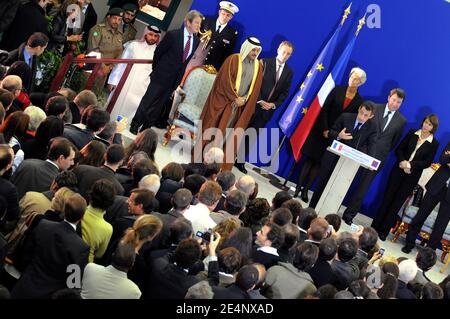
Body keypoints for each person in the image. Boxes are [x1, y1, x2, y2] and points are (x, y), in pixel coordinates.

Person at [295, 67, 366, 202]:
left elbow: (351, 120)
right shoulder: (337, 90)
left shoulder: (359, 101)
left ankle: (305, 191)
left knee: (319, 164)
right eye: (352, 76)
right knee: (310, 160)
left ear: (360, 83)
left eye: (357, 79)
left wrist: (335, 133)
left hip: (336, 136)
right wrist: (325, 129)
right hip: (321, 130)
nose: (353, 80)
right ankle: (298, 187)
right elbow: (325, 109)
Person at [195, 37, 264, 171]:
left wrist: (244, 100)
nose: (255, 53)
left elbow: (255, 88)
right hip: (225, 103)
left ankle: (219, 165)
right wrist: (234, 97)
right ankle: (204, 160)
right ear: (247, 48)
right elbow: (224, 82)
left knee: (229, 135)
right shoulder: (233, 60)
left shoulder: (258, 67)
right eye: (253, 49)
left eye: (257, 50)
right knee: (215, 131)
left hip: (239, 108)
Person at [129, 10, 202, 134]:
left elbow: (185, 62)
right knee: (148, 101)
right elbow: (158, 53)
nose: (199, 26)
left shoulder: (196, 41)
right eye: (197, 23)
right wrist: (157, 70)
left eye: (200, 24)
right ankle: (135, 124)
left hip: (174, 80)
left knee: (158, 107)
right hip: (160, 75)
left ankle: (146, 129)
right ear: (188, 22)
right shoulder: (173, 35)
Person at [342, 88, 407, 224]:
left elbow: (393, 142)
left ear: (401, 104)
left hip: (377, 159)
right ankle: (333, 203)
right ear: (389, 97)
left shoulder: (401, 121)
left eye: (399, 102)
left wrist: (380, 153)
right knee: (345, 179)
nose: (395, 104)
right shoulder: (374, 107)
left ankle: (349, 215)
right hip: (360, 151)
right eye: (394, 100)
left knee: (363, 188)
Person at [372, 114, 440, 240]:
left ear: (433, 128)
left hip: (411, 176)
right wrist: (403, 162)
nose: (426, 125)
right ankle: (374, 226)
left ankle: (383, 231)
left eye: (429, 124)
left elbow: (427, 162)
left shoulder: (434, 143)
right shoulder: (412, 132)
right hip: (398, 169)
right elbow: (399, 149)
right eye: (425, 122)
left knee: (397, 203)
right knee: (387, 197)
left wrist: (410, 165)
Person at [11, 194, 89, 299]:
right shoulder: (81, 248)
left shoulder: (44, 226)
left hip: (25, 287)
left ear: (64, 211)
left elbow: (26, 255)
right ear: (82, 216)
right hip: (50, 295)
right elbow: (73, 284)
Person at [235, 41, 294, 174]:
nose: (285, 55)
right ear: (278, 49)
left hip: (267, 111)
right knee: (239, 129)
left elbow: (285, 93)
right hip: (253, 104)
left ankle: (240, 161)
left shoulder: (289, 72)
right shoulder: (264, 62)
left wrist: (273, 105)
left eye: (288, 54)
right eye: (284, 52)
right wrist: (260, 99)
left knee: (251, 135)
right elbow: (255, 82)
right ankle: (228, 155)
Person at [309, 103, 378, 208]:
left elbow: (372, 145)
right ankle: (312, 208)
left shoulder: (372, 127)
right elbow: (330, 132)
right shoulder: (345, 116)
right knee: (322, 184)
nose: (362, 117)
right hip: (332, 158)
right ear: (359, 108)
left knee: (337, 190)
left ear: (371, 116)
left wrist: (372, 162)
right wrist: (338, 135)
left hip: (349, 164)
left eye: (366, 115)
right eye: (361, 113)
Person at [107, 25, 161, 126]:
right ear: (145, 34)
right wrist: (113, 81)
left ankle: (121, 131)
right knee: (114, 108)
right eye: (150, 34)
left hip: (140, 88)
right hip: (124, 82)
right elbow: (121, 64)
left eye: (155, 36)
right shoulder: (133, 45)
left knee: (130, 112)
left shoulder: (158, 52)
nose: (153, 38)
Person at [402, 142, 450, 253]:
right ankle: (409, 243)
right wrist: (447, 159)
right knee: (421, 215)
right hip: (437, 185)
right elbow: (442, 159)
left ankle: (428, 253)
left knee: (440, 225)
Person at [11, 137, 76, 199]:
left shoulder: (27, 163)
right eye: (71, 159)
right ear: (61, 158)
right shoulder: (57, 182)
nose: (72, 163)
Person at [186, 1, 239, 71]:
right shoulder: (206, 21)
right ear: (219, 12)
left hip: (211, 68)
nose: (225, 17)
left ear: (231, 17)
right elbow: (193, 38)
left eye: (228, 15)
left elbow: (227, 55)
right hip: (194, 61)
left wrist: (217, 69)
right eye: (223, 13)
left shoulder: (232, 33)